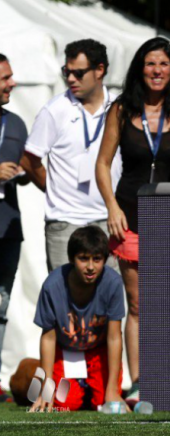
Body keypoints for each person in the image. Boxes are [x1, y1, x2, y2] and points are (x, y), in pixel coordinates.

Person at [96, 37, 170, 405]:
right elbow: (103, 163)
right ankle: (139, 382)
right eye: (150, 64)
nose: (157, 71)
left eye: (163, 64)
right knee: (138, 305)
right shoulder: (120, 109)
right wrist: (110, 208)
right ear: (140, 68)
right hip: (129, 215)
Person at [21, 39, 121, 272]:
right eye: (67, 72)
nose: (70, 79)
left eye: (78, 73)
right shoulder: (55, 110)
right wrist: (53, 188)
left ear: (100, 70)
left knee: (107, 300)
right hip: (64, 221)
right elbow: (29, 158)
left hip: (110, 219)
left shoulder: (119, 107)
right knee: (64, 301)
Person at [23, 226, 125, 412]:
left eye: (97, 259)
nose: (91, 267)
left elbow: (114, 337)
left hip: (97, 351)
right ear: (71, 259)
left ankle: (92, 389)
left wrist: (112, 389)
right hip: (64, 351)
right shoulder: (52, 286)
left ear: (105, 259)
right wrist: (46, 388)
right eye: (83, 259)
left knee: (106, 402)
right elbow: (48, 338)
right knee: (64, 402)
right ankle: (28, 372)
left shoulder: (113, 283)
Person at [0, 53, 29, 402]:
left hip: (8, 229)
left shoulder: (18, 124)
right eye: (5, 77)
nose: (12, 83)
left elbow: (25, 171)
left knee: (1, 307)